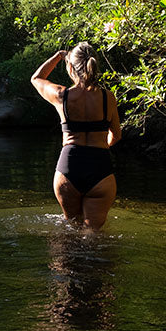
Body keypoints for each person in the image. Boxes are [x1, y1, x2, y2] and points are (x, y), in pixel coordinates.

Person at [30, 42, 122, 230]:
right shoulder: (107, 97)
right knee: (93, 235)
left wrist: (58, 56)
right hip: (100, 166)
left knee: (71, 229)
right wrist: (102, 147)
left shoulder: (61, 95)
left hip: (69, 168)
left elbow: (36, 78)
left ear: (71, 67)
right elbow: (116, 135)